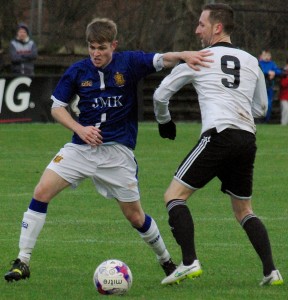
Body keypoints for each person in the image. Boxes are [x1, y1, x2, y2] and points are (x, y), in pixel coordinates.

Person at [4, 17, 212, 282]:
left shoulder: (129, 63)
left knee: (135, 216)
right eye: (91, 47)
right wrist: (80, 129)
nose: (96, 53)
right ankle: (22, 261)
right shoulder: (78, 71)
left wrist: (184, 55)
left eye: (101, 47)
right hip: (80, 149)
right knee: (41, 191)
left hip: (117, 155)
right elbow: (57, 107)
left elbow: (162, 59)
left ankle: (166, 261)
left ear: (114, 44)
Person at [153, 3, 283, 287]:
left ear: (217, 27)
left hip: (219, 134)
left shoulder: (200, 58)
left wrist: (165, 122)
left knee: (173, 196)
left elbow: (161, 94)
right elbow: (261, 107)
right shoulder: (251, 62)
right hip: (246, 138)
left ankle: (189, 263)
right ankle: (271, 272)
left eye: (201, 24)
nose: (197, 29)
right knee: (244, 210)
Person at [258, 49, 281, 123]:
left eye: (268, 55)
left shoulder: (272, 63)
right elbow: (259, 71)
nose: (267, 57)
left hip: (269, 87)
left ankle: (266, 120)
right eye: (265, 55)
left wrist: (274, 72)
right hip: (260, 88)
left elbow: (279, 71)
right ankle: (259, 119)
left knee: (269, 104)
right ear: (262, 56)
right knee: (260, 103)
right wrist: (268, 73)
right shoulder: (259, 63)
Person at [279, 58, 288, 125]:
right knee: (285, 109)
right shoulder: (284, 72)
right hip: (284, 96)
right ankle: (283, 124)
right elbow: (283, 84)